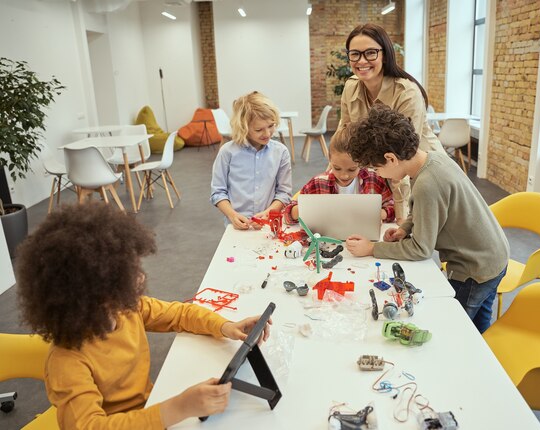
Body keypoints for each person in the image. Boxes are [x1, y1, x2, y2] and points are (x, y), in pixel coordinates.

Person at [15, 203, 272, 429]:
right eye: (125, 272)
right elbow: (90, 427)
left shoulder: (127, 309)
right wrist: (178, 408)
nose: (139, 276)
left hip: (148, 411)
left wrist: (226, 326)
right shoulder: (67, 362)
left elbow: (180, 314)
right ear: (88, 292)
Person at [344, 105, 509, 333]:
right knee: (480, 326)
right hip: (495, 257)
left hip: (473, 269)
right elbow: (427, 208)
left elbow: (421, 249)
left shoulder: (427, 184)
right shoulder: (431, 160)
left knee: (455, 328)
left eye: (376, 168)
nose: (377, 174)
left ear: (390, 158)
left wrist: (373, 248)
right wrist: (406, 227)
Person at [338, 23, 445, 222]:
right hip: (380, 169)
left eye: (370, 53)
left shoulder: (407, 93)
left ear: (385, 55)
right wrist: (334, 174)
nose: (362, 61)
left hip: (419, 173)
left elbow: (404, 157)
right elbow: (344, 136)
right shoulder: (350, 87)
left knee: (417, 235)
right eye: (355, 54)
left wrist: (401, 215)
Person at [210, 91, 292, 229]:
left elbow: (284, 193)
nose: (267, 134)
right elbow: (218, 192)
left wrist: (269, 212)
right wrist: (232, 215)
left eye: (271, 126)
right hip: (235, 227)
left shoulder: (281, 152)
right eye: (259, 129)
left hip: (269, 225)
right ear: (244, 128)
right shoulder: (227, 152)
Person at [284, 124, 394, 224]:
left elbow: (393, 207)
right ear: (329, 159)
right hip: (326, 241)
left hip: (365, 240)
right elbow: (288, 214)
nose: (344, 176)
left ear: (362, 162)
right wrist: (305, 211)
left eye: (352, 169)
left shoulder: (374, 179)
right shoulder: (318, 183)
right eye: (337, 168)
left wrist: (378, 214)